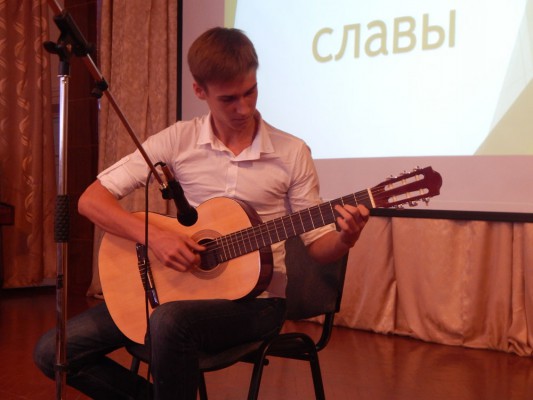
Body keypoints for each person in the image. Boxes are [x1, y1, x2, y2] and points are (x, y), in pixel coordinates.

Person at [34, 27, 369, 399]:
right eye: (228, 99)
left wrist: (345, 238)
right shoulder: (179, 140)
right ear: (199, 91)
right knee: (54, 352)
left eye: (250, 92)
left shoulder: (292, 152)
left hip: (258, 304)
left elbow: (317, 247)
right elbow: (91, 200)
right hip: (176, 291)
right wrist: (155, 237)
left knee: (169, 322)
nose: (244, 108)